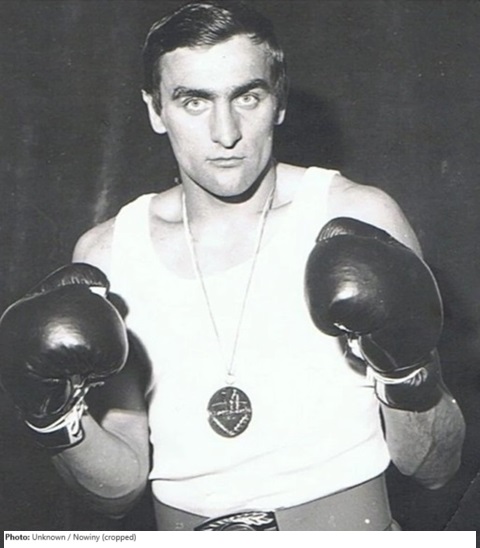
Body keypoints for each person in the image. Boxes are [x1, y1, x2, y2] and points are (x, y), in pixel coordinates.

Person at [0, 0, 466, 531]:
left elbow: (435, 467)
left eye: (247, 96)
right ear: (156, 110)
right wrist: (54, 417)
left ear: (278, 101)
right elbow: (117, 490)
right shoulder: (110, 253)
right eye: (194, 101)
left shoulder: (354, 215)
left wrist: (405, 371)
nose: (226, 133)